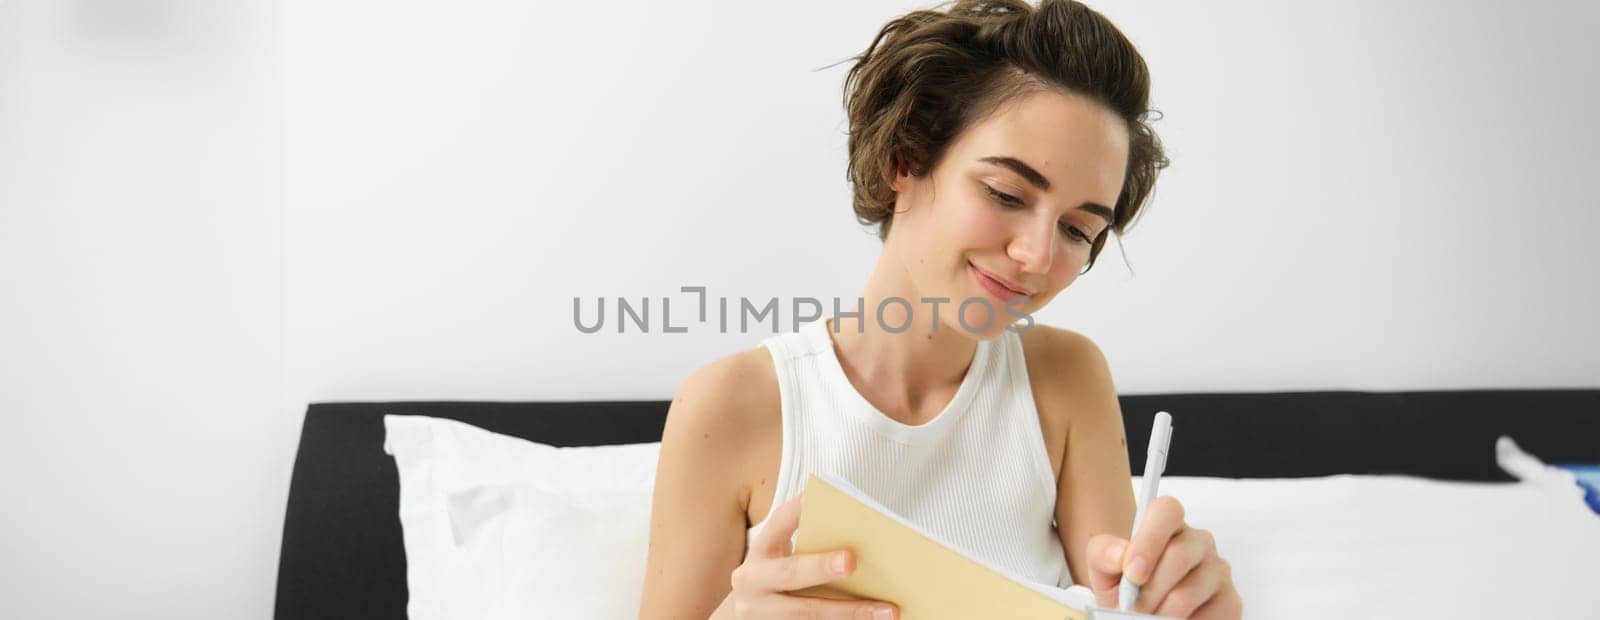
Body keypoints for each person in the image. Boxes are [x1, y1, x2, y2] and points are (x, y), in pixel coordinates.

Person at [640, 1, 1242, 618]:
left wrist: (1179, 604)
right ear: (906, 159)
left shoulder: (1067, 381)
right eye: (1006, 194)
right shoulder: (731, 408)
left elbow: (1124, 602)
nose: (1035, 256)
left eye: (1076, 230)